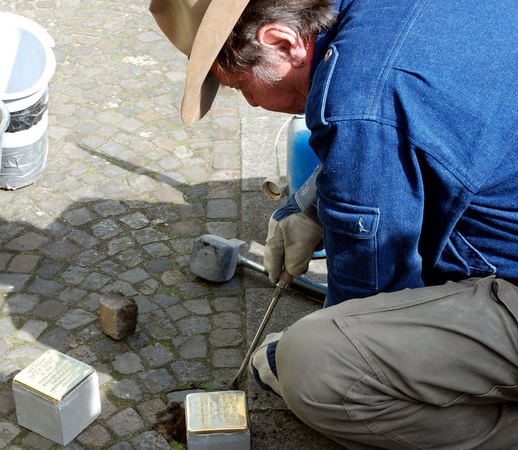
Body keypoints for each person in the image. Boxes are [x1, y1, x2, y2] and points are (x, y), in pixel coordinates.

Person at [150, 0, 518, 448]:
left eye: (239, 86)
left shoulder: (360, 100)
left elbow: (374, 299)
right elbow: (405, 125)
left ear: (281, 42)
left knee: (316, 364)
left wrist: (291, 356)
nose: (250, 101)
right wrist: (312, 204)